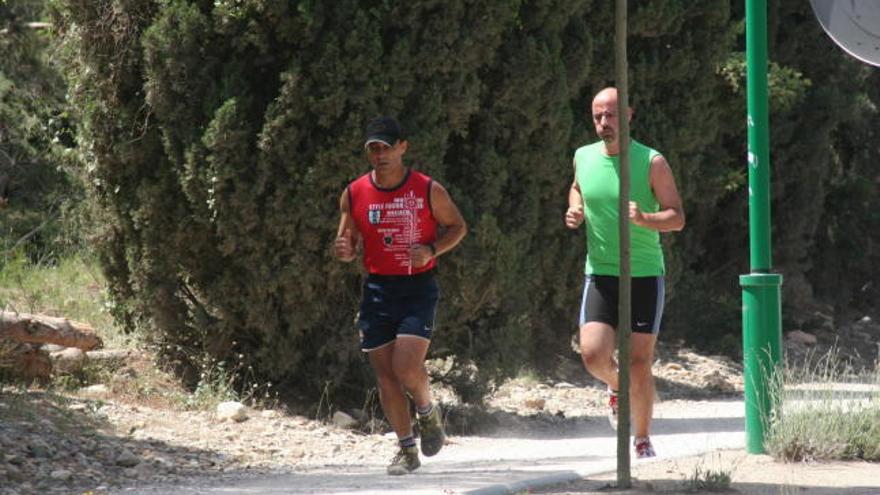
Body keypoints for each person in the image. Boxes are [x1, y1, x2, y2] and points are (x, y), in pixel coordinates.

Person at [334, 116, 467, 475]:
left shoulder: (427, 189)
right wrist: (344, 249)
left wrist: (432, 249)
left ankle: (427, 411)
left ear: (403, 147)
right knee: (386, 376)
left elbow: (458, 226)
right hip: (377, 289)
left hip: (417, 287)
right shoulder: (353, 193)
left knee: (406, 367)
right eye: (373, 148)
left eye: (387, 147)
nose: (380, 154)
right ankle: (406, 450)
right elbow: (347, 242)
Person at [564, 88, 685, 459]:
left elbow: (677, 217)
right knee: (592, 355)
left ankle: (642, 437)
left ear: (628, 115)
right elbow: (577, 187)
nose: (604, 123)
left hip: (644, 274)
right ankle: (619, 388)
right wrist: (575, 208)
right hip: (600, 273)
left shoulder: (651, 161)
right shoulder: (583, 156)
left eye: (611, 115)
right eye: (598, 116)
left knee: (638, 361)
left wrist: (644, 218)